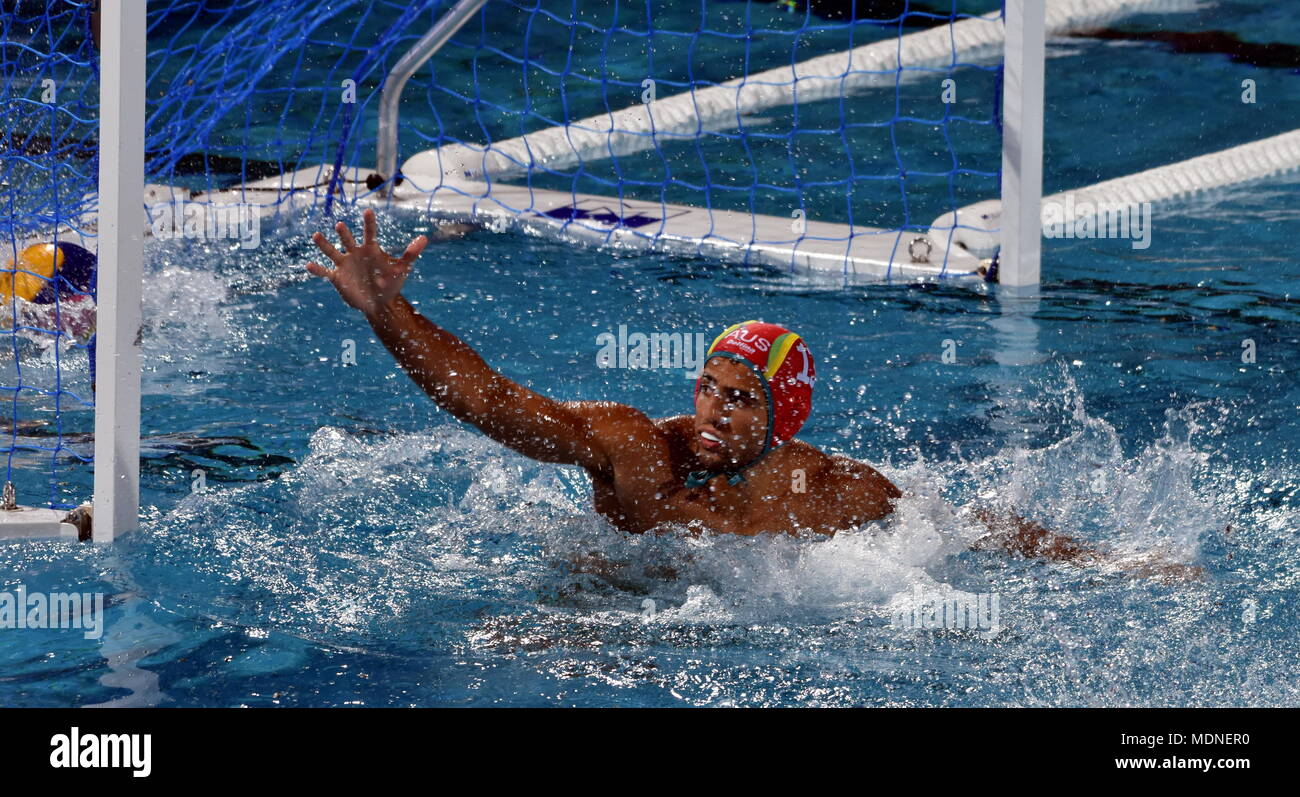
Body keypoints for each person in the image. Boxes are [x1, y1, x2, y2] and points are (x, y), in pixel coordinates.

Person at [306, 210, 1200, 579]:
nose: (713, 412)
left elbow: (967, 525)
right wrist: (390, 314)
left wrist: (1117, 562)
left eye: (740, 400)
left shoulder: (827, 488)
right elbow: (497, 405)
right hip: (611, 599)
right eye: (708, 388)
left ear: (785, 419)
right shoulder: (634, 447)